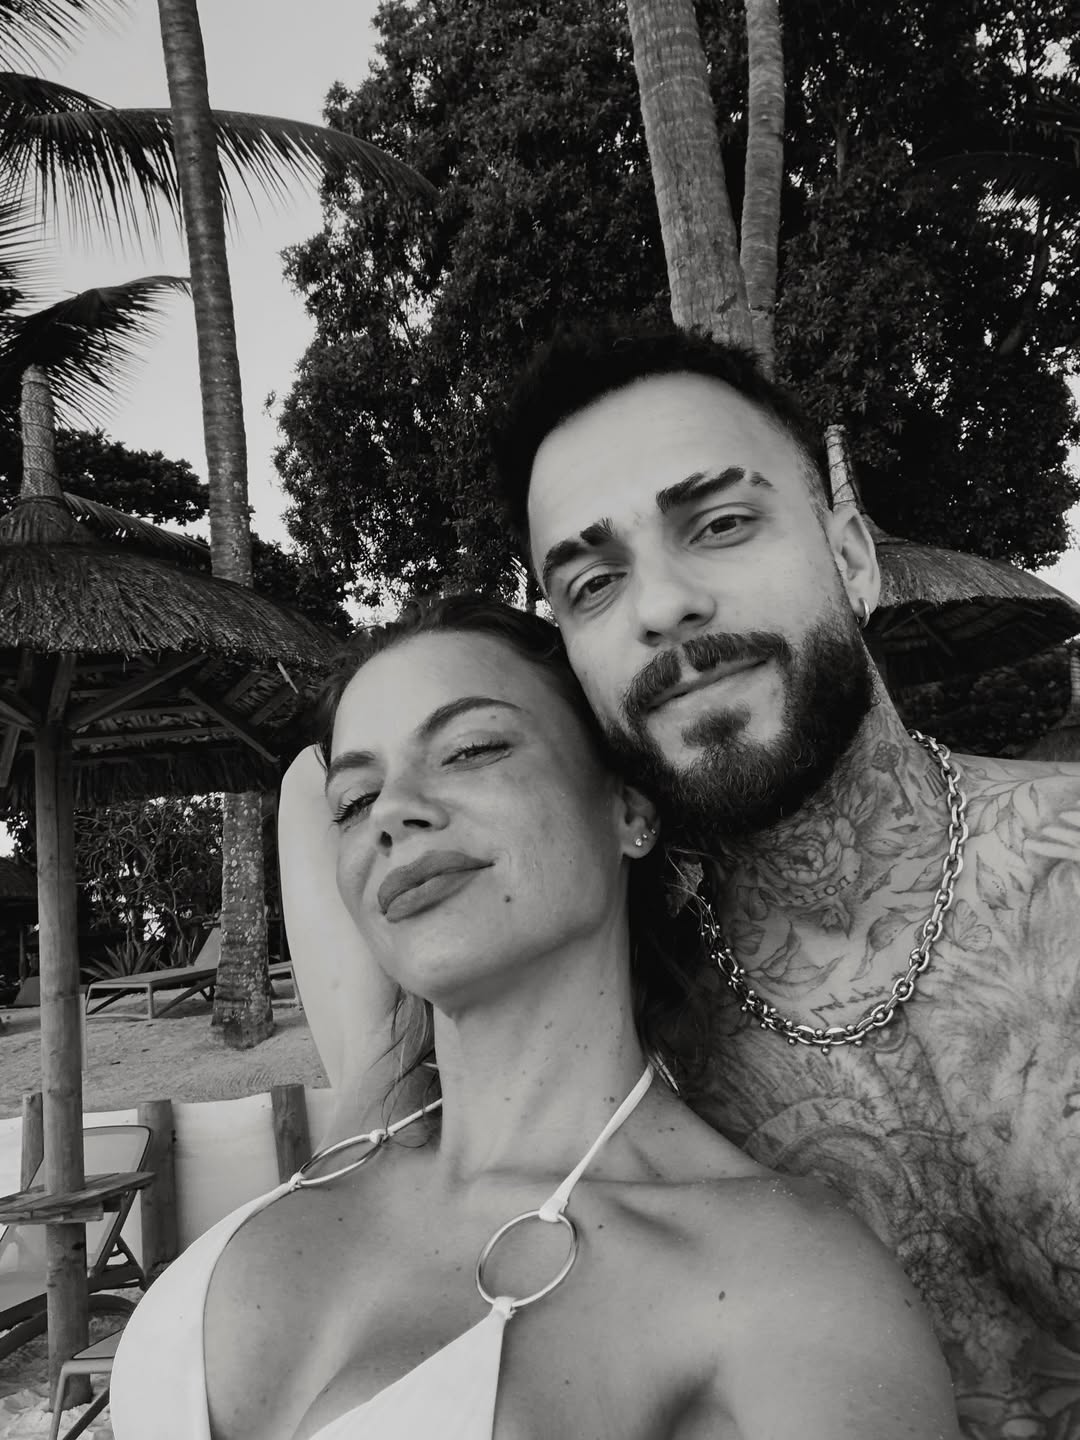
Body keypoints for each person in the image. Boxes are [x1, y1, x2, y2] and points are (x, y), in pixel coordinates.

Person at [280, 326, 1080, 1440]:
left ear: (853, 559)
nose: (660, 606)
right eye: (593, 583)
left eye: (720, 523)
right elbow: (320, 783)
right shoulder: (606, 1028)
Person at [111, 596, 962, 1440]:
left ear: (629, 808)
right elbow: (306, 781)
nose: (392, 812)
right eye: (358, 799)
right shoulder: (371, 1104)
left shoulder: (778, 1281)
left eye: (471, 748)